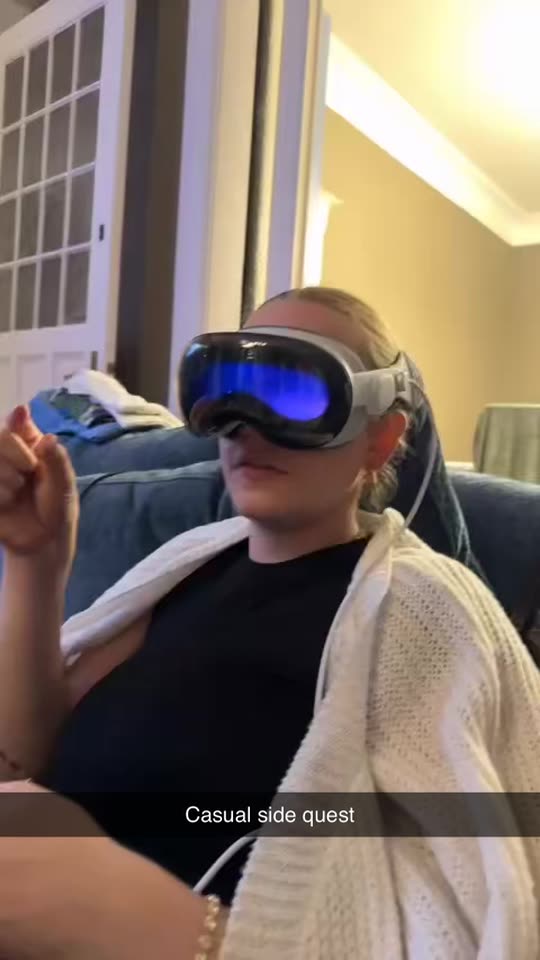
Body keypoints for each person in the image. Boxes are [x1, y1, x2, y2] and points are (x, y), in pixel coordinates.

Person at [0, 286, 539, 959]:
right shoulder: (184, 567)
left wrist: (164, 924)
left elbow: (491, 904)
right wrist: (36, 563)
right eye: (227, 388)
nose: (245, 426)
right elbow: (25, 756)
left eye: (293, 392)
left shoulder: (425, 605)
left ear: (380, 438)